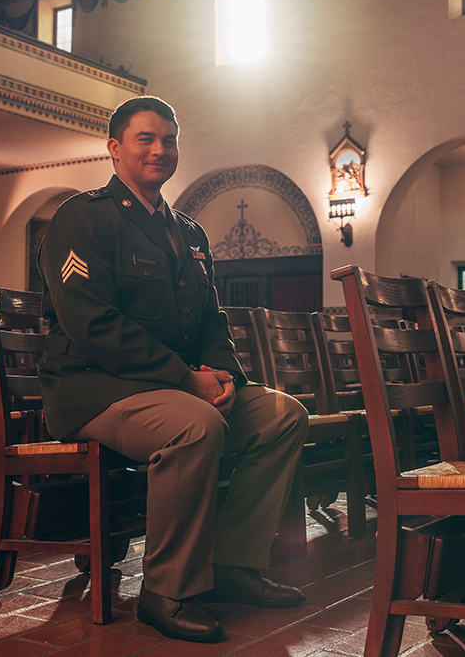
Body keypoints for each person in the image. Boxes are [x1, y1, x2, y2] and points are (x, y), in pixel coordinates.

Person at [36, 96, 309, 643]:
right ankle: (167, 591)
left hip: (171, 386)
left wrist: (225, 376)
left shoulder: (188, 232)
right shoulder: (82, 217)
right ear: (115, 149)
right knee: (194, 425)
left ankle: (233, 564)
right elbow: (91, 323)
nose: (160, 149)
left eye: (169, 139)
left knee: (283, 415)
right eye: (145, 138)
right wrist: (186, 380)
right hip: (93, 389)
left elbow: (211, 319)